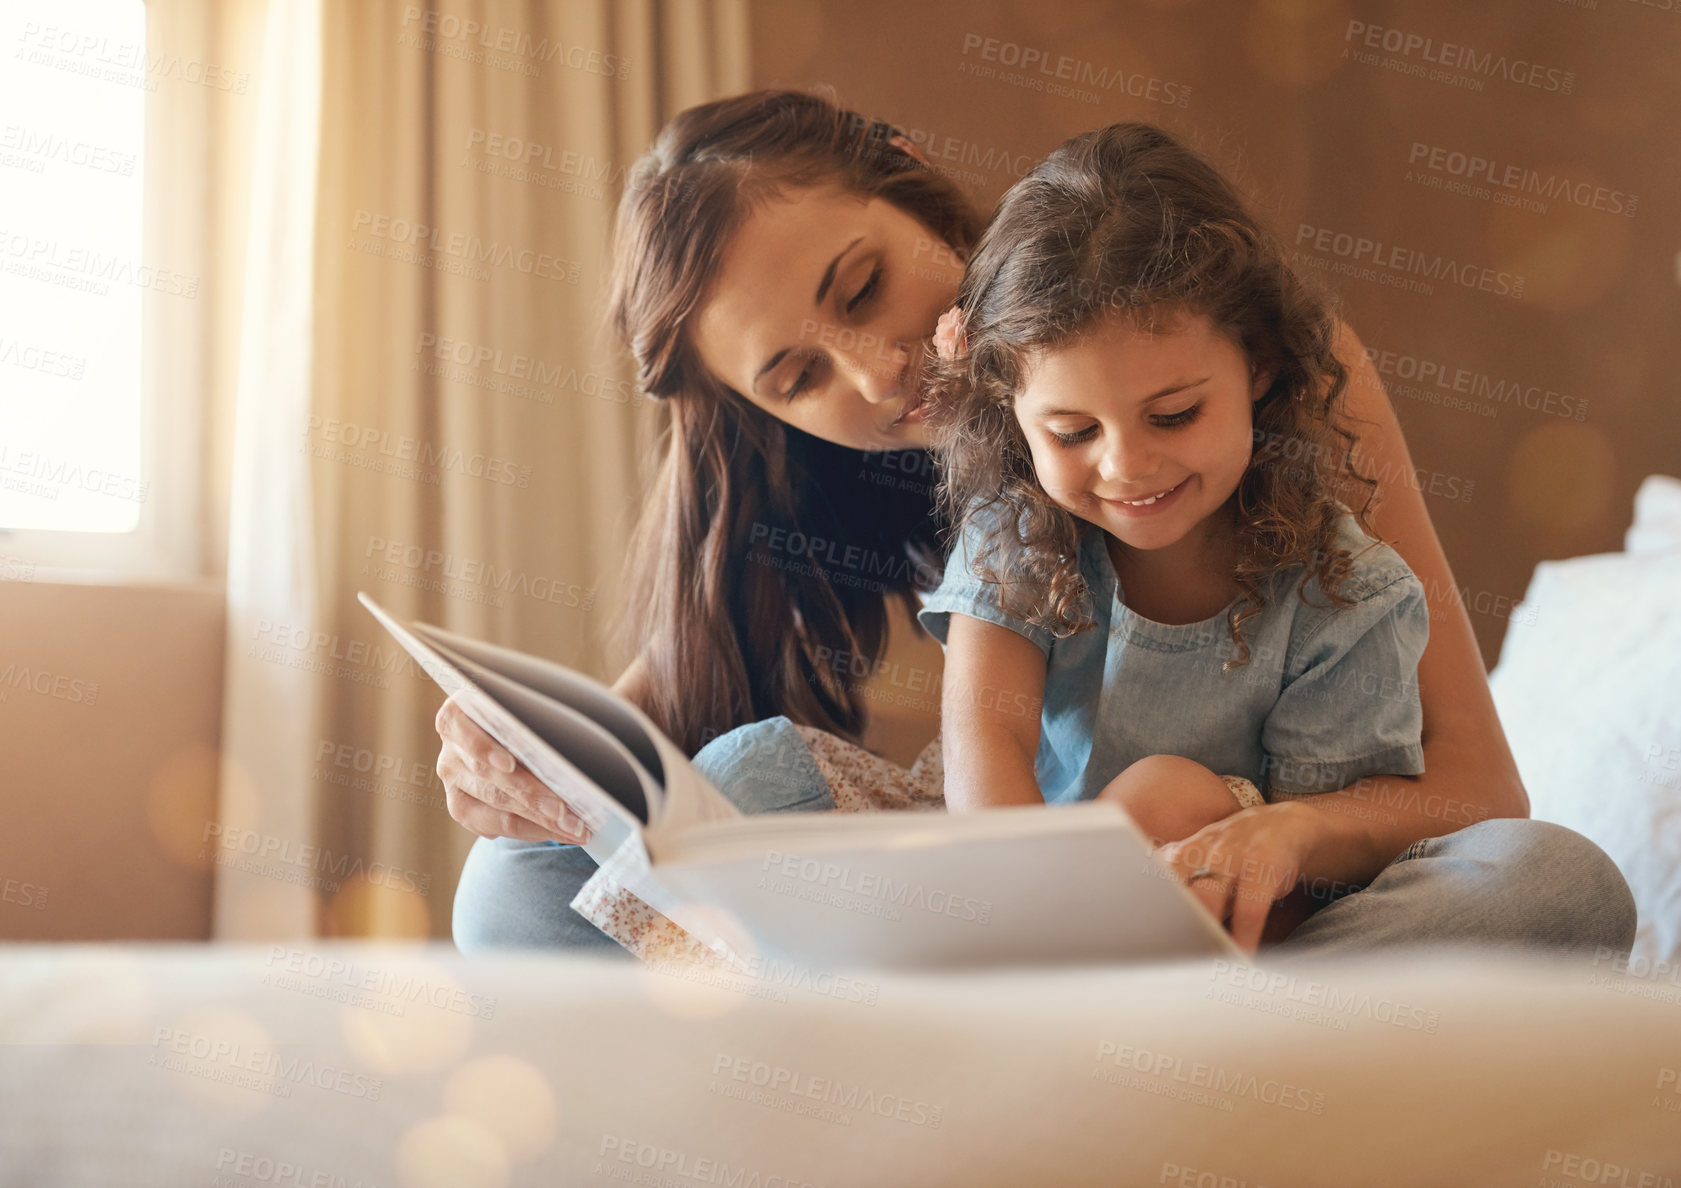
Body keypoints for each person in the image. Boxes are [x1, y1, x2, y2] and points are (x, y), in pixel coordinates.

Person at [435, 89, 1634, 960]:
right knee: (516, 884)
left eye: (861, 287)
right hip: (996, 888)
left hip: (1270, 883)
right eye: (795, 376)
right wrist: (508, 762)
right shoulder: (803, 473)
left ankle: (1166, 1025)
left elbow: (1478, 783)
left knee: (1547, 890)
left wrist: (1281, 840)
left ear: (908, 175)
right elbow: (629, 760)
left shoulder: (1247, 358)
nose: (874, 375)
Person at [918, 122, 1430, 952]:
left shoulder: (1342, 588)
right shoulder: (1013, 535)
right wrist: (1033, 918)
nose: (1125, 466)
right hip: (1050, 892)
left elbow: (1323, 862)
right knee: (759, 771)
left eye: (1173, 415)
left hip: (1263, 903)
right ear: (1011, 415)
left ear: (1258, 363)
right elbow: (986, 763)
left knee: (1169, 796)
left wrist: (1208, 852)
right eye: (1072, 432)